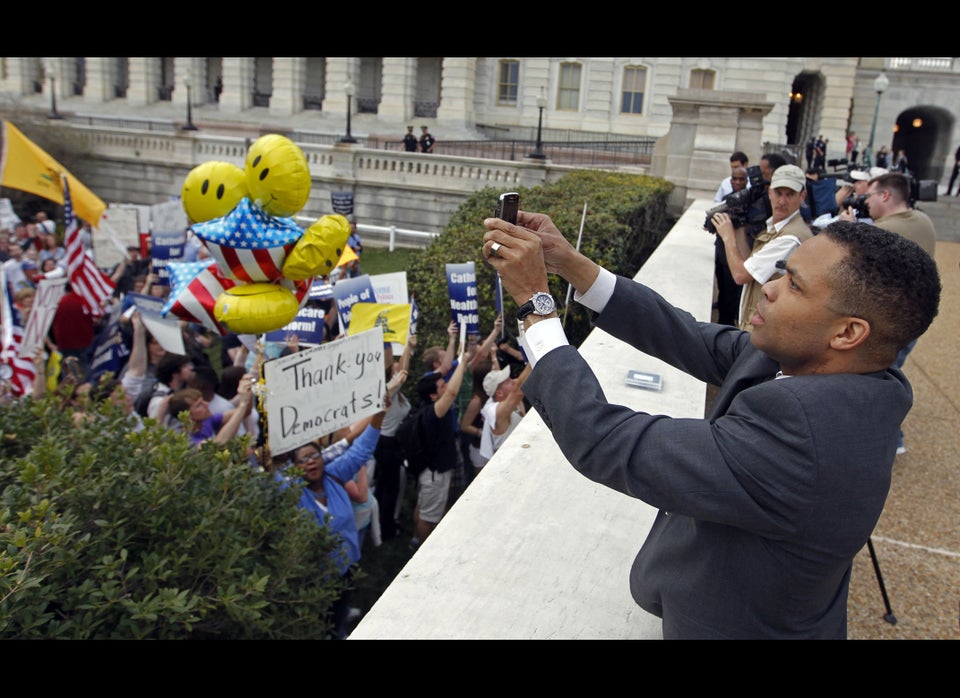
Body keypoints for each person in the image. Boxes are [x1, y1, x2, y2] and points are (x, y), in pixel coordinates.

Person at [482, 208, 941, 640]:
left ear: (847, 332)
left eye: (796, 286)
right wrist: (570, 263)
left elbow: (604, 440)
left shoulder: (808, 437)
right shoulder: (836, 368)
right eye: (784, 270)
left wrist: (535, 301)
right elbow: (685, 335)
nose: (772, 287)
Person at [856, 171, 938, 455]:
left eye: (869, 196)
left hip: (888, 323)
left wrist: (848, 228)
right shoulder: (922, 220)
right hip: (914, 319)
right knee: (885, 376)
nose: (865, 201)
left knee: (874, 381)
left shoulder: (883, 231)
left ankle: (890, 440)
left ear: (886, 196)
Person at [290, 403, 388, 639]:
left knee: (337, 617)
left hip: (345, 569)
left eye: (314, 456)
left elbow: (362, 450)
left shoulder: (334, 476)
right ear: (294, 468)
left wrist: (381, 412)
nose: (311, 462)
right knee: (319, 622)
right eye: (303, 460)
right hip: (314, 578)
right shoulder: (293, 493)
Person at [711, 164, 813, 332]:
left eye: (790, 194)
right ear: (770, 193)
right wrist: (739, 227)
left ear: (802, 196)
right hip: (759, 324)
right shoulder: (777, 227)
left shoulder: (790, 238)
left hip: (767, 329)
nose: (782, 201)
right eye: (778, 193)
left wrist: (728, 237)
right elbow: (748, 263)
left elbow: (740, 275)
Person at [410, 349, 467, 547]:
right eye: (442, 386)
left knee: (423, 505)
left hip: (431, 470)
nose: (446, 387)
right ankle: (425, 548)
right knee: (429, 517)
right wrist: (463, 363)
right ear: (433, 396)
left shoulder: (427, 409)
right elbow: (452, 393)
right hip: (435, 474)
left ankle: (416, 539)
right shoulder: (433, 413)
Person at [712, 165, 749, 326]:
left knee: (732, 294)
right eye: (734, 179)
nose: (737, 182)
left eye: (741, 179)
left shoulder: (749, 201)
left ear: (746, 181)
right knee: (722, 290)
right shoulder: (726, 199)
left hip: (736, 253)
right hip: (721, 250)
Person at [478, 362, 531, 465]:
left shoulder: (510, 403)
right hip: (509, 465)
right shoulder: (497, 414)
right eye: (507, 382)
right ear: (499, 393)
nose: (513, 381)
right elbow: (517, 391)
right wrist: (532, 363)